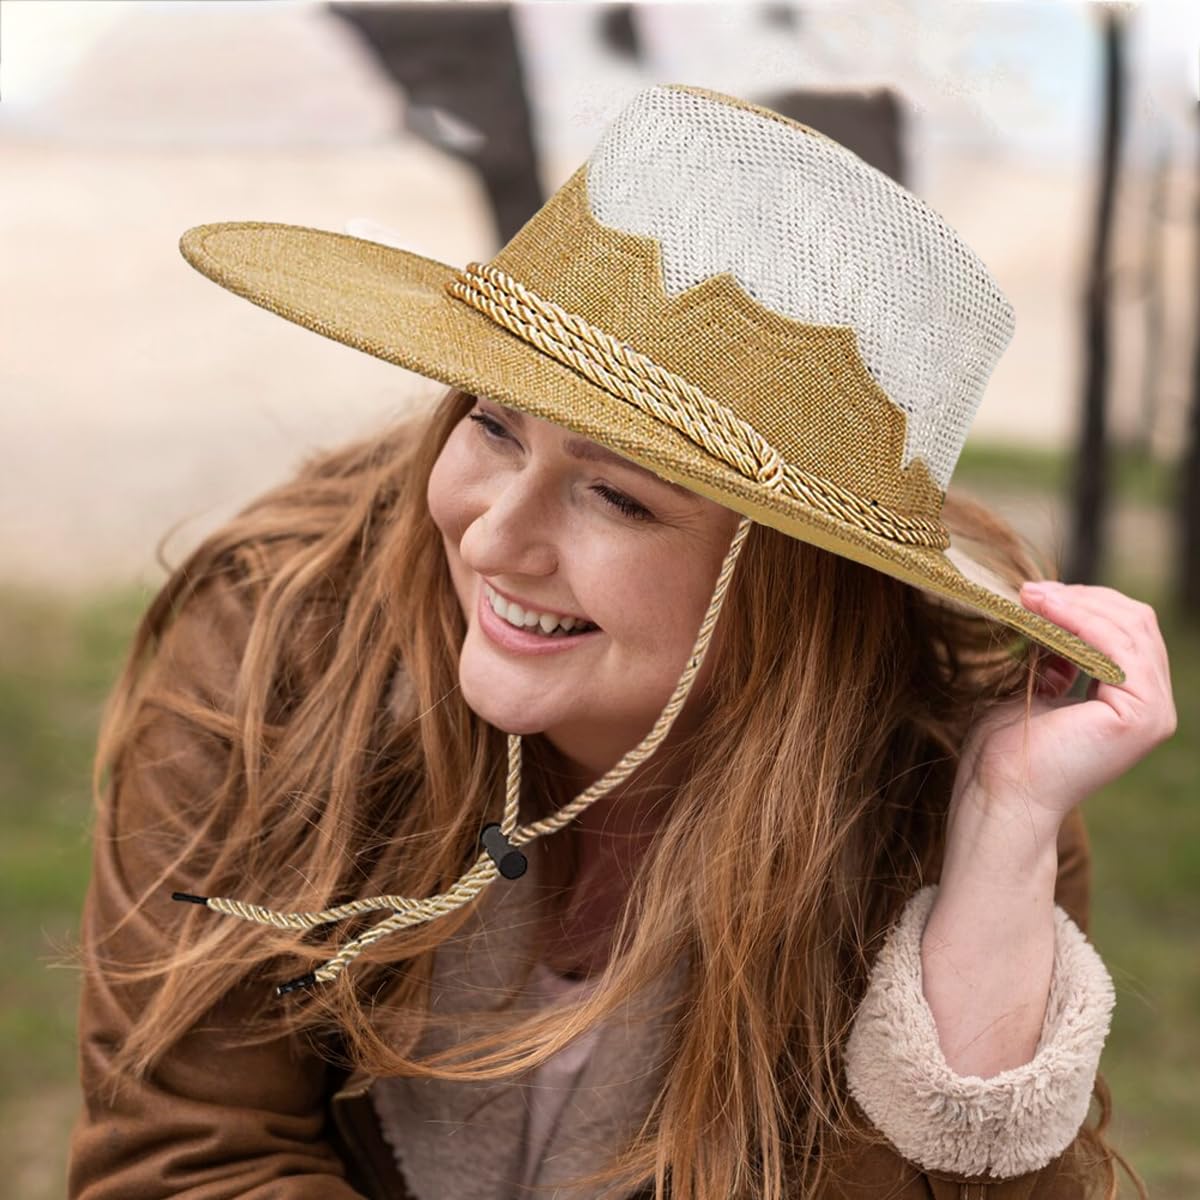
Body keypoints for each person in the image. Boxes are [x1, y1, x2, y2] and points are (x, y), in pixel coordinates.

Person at [68, 85, 1174, 1200]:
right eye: (492, 425)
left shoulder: (943, 791)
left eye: (616, 498)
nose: (497, 537)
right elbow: (181, 1161)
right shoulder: (283, 642)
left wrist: (999, 846)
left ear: (795, 585)